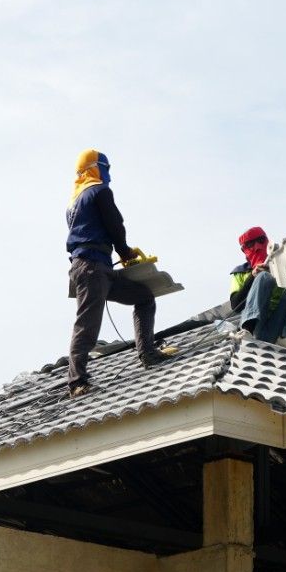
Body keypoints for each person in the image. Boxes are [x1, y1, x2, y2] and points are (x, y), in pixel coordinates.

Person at [65, 149, 173, 396]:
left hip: (93, 266)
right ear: (95, 168)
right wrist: (125, 252)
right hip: (92, 267)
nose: (109, 175)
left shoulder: (72, 204)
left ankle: (147, 353)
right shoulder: (99, 191)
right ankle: (77, 381)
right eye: (106, 169)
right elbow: (115, 225)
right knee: (87, 325)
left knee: (144, 296)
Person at [229, 226, 286, 351]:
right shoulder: (240, 273)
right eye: (250, 244)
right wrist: (252, 277)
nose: (257, 246)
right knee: (264, 277)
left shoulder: (280, 265)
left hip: (276, 328)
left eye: (260, 240)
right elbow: (235, 305)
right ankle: (247, 330)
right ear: (244, 250)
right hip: (256, 328)